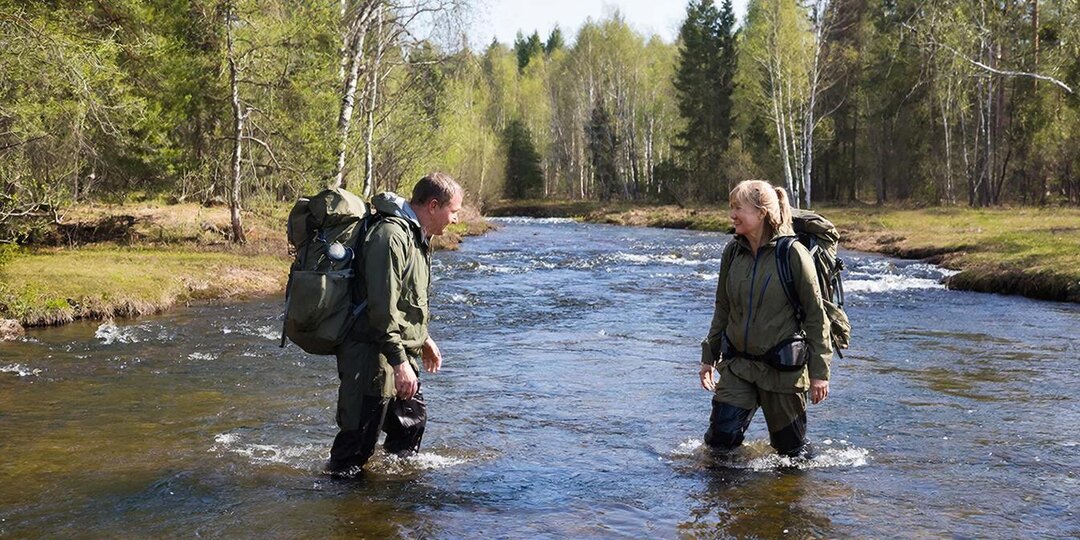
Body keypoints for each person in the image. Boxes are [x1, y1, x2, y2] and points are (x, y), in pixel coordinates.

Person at [326, 172, 463, 476]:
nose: (455, 220)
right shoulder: (390, 237)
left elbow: (407, 301)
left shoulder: (417, 238)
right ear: (433, 205)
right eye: (453, 211)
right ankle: (344, 509)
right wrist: (400, 362)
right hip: (369, 354)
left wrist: (423, 338)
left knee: (410, 425)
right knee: (355, 447)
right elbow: (381, 308)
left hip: (395, 350)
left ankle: (392, 499)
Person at [698, 179, 832, 459]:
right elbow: (722, 307)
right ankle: (723, 502)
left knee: (792, 455)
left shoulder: (793, 254)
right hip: (738, 366)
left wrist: (820, 373)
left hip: (783, 372)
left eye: (738, 208)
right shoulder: (732, 252)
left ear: (762, 213)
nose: (732, 215)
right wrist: (708, 358)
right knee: (719, 447)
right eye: (731, 208)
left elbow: (815, 316)